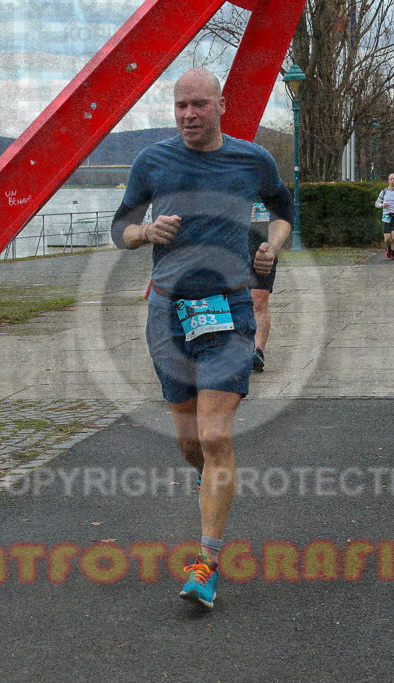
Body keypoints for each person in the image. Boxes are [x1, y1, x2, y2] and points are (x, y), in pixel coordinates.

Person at [111, 68, 293, 609]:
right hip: (168, 315)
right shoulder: (153, 162)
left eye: (199, 104)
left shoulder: (251, 160)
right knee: (191, 445)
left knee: (215, 438)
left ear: (220, 106)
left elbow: (284, 210)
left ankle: (206, 562)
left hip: (230, 309)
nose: (189, 114)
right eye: (180, 105)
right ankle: (212, 481)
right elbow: (120, 227)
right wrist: (144, 232)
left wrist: (274, 245)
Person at [248, 203, 277, 372]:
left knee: (259, 300)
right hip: (234, 249)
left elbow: (284, 216)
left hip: (265, 250)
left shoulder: (270, 185)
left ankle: (257, 353)